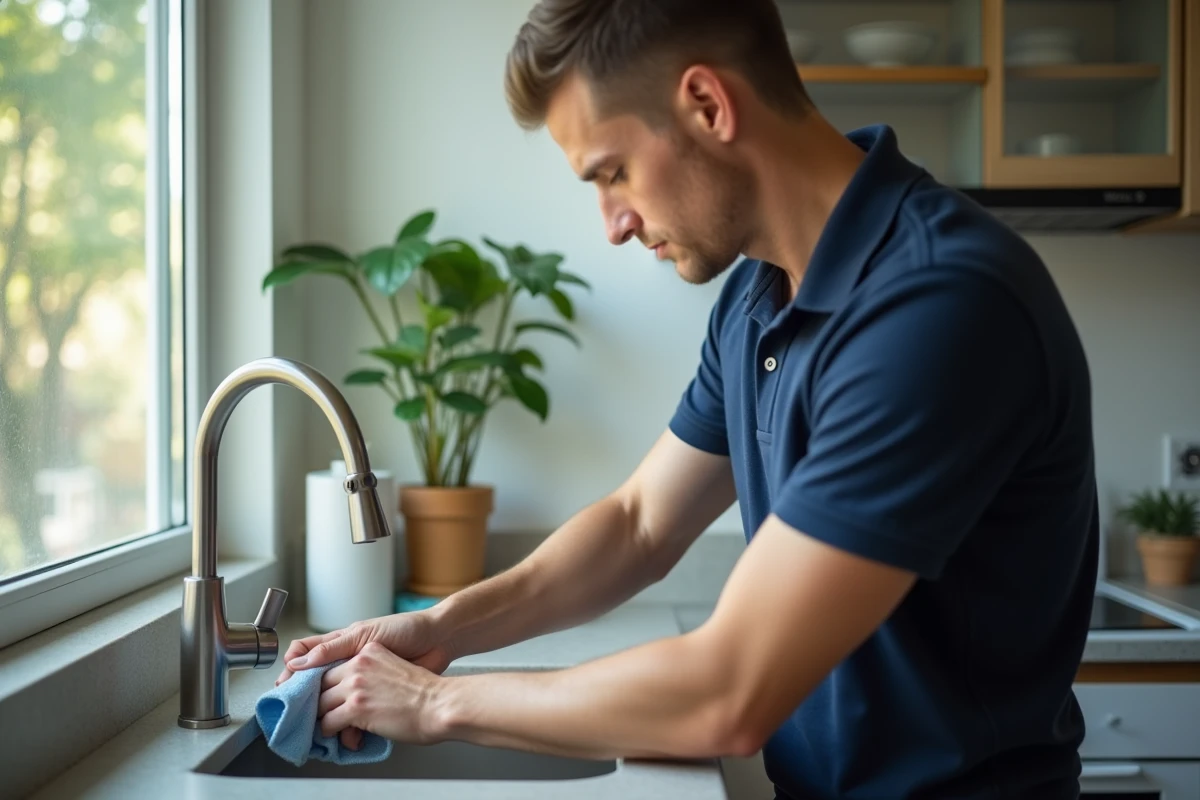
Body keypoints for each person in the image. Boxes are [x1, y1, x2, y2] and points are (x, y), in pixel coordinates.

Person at [277, 1, 1099, 797]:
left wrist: (435, 703)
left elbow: (729, 692)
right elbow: (640, 522)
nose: (614, 223)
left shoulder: (937, 305)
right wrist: (442, 628)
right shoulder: (758, 297)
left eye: (613, 173)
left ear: (707, 104)